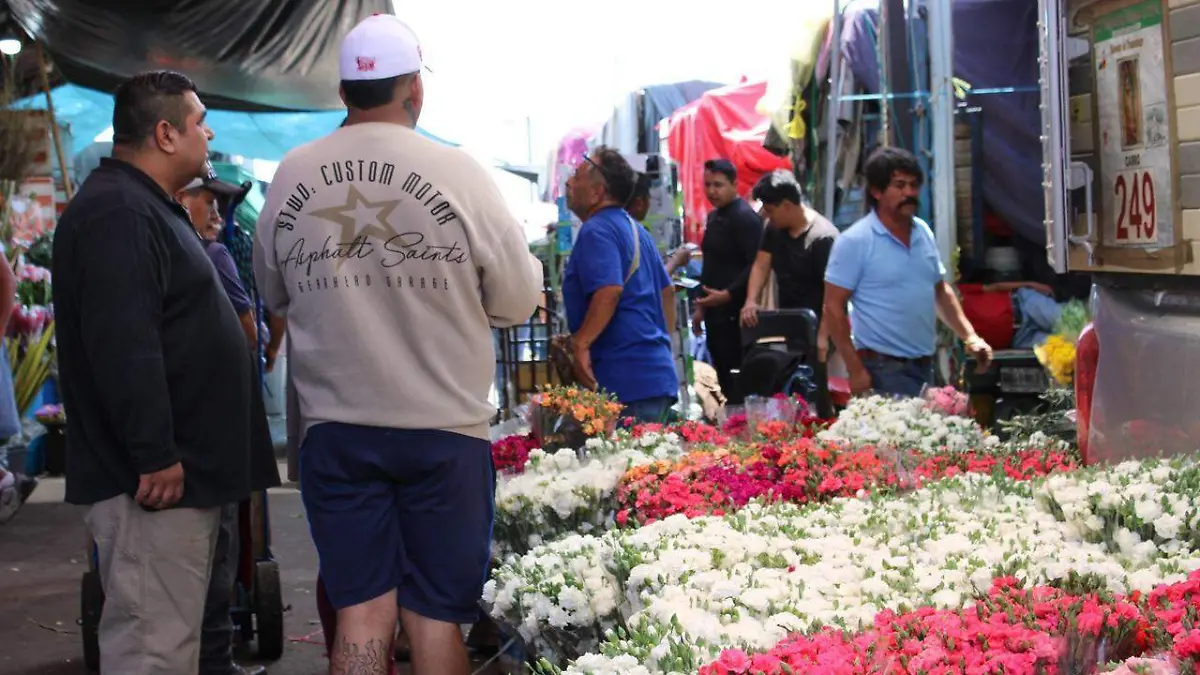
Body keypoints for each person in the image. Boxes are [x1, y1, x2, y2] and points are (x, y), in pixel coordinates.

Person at [253, 14, 541, 675]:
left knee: (360, 609)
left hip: (338, 431)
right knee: (438, 614)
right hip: (443, 431)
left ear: (344, 91)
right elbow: (518, 300)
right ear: (414, 88)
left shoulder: (293, 173)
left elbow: (273, 292)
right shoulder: (456, 170)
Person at [52, 71, 254, 675]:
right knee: (151, 652)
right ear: (166, 134)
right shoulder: (119, 211)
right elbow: (124, 343)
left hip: (178, 478)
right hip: (154, 485)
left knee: (169, 643)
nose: (209, 132)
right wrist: (154, 452)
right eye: (199, 122)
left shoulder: (141, 205)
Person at [176, 175, 281, 675]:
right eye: (209, 201)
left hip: (181, 420)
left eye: (222, 204)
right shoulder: (213, 256)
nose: (219, 213)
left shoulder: (172, 250)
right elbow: (246, 326)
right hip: (216, 421)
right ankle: (214, 659)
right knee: (218, 546)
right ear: (181, 199)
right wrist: (259, 352)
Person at [823, 147, 993, 398]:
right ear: (877, 191)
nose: (909, 193)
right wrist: (854, 368)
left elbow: (940, 290)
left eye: (913, 185)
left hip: (925, 365)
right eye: (899, 185)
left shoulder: (923, 232)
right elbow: (833, 307)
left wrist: (970, 337)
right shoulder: (855, 241)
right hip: (881, 369)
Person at [562, 147, 679, 422]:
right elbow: (668, 293)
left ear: (597, 192)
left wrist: (580, 343)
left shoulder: (597, 229)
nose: (569, 183)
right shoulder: (637, 230)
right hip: (654, 375)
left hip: (625, 381)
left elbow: (609, 291)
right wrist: (656, 348)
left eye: (576, 177)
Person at [693, 158, 763, 404]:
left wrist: (729, 294)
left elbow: (757, 264)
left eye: (718, 185)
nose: (712, 191)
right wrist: (700, 306)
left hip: (737, 316)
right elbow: (710, 264)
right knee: (723, 376)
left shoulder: (745, 219)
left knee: (738, 381)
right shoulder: (714, 218)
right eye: (708, 184)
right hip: (715, 315)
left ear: (735, 184)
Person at [741, 170, 839, 328]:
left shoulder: (823, 238)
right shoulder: (774, 229)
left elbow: (833, 297)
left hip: (821, 327)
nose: (767, 216)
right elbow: (761, 264)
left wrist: (824, 337)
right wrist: (751, 300)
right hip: (789, 323)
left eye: (770, 211)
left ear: (786, 205)